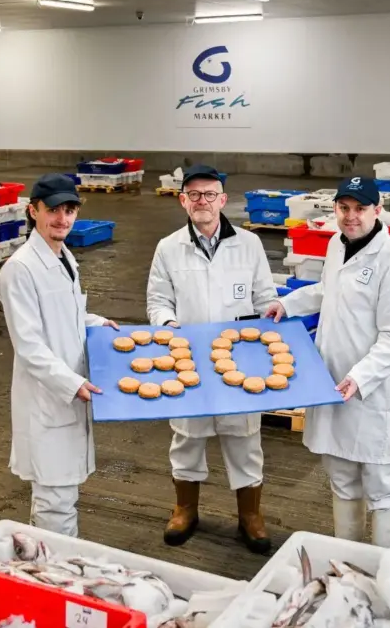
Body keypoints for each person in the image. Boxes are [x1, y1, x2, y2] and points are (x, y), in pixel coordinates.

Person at [265, 176, 390, 548]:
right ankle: (349, 559)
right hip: (330, 380)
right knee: (342, 476)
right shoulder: (336, 244)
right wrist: (288, 303)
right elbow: (328, 289)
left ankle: (383, 566)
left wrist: (361, 377)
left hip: (369, 392)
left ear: (378, 210)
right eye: (343, 208)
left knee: (382, 484)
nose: (350, 217)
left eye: (360, 208)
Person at [146, 164, 279, 553]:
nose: (201, 202)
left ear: (223, 200)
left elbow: (264, 296)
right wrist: (168, 323)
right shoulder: (168, 248)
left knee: (244, 437)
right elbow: (158, 300)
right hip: (188, 360)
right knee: (187, 435)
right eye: (194, 195)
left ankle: (250, 516)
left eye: (210, 195)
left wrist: (271, 315)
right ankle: (185, 508)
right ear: (182, 200)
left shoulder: (249, 245)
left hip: (238, 360)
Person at [0, 172, 118, 537]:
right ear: (32, 211)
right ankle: (56, 574)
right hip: (50, 398)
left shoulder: (63, 256)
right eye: (53, 210)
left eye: (70, 210)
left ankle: (43, 562)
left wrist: (97, 322)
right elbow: (30, 346)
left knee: (59, 494)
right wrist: (72, 382)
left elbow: (67, 315)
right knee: (56, 500)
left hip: (69, 393)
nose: (62, 218)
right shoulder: (20, 269)